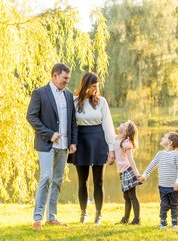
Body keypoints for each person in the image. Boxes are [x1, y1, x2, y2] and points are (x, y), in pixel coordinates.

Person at [27, 63, 78, 231]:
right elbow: (31, 117)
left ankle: (52, 217)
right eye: (64, 78)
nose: (67, 82)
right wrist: (49, 134)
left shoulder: (69, 95)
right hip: (46, 144)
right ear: (55, 76)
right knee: (46, 177)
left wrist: (73, 141)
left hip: (64, 145)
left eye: (68, 79)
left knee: (57, 180)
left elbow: (72, 121)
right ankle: (37, 218)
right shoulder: (40, 93)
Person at [68, 72, 115, 226]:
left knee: (99, 181)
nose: (95, 89)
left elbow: (108, 125)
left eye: (97, 86)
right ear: (86, 85)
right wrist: (71, 143)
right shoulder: (75, 102)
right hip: (81, 141)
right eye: (93, 86)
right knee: (83, 181)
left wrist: (112, 148)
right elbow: (70, 124)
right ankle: (83, 213)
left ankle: (98, 215)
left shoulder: (101, 102)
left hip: (98, 141)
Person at [139, 132, 178, 229]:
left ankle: (175, 223)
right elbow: (152, 165)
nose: (162, 138)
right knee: (163, 205)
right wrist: (144, 175)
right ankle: (163, 223)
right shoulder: (160, 154)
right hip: (163, 186)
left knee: (174, 205)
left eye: (165, 137)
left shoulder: (176, 155)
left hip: (173, 187)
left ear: (170, 142)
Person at [114, 120, 141, 225]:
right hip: (122, 171)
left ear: (125, 131)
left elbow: (131, 159)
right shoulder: (117, 139)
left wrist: (137, 173)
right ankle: (125, 219)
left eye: (123, 124)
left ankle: (137, 219)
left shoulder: (126, 143)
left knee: (132, 195)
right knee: (126, 196)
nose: (120, 124)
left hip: (128, 171)